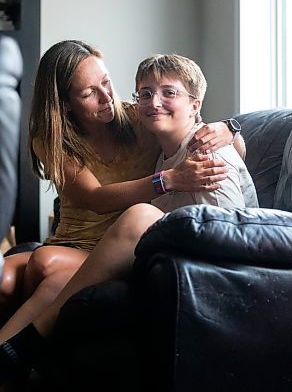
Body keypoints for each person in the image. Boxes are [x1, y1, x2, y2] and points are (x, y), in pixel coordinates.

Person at [0, 50, 256, 386]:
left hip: (130, 243)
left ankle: (21, 350)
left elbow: (230, 219)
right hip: (84, 241)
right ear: (65, 104)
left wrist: (229, 128)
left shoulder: (149, 124)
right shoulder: (59, 139)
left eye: (106, 82)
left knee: (51, 265)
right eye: (90, 92)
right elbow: (95, 198)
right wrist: (169, 180)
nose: (107, 96)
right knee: (9, 280)